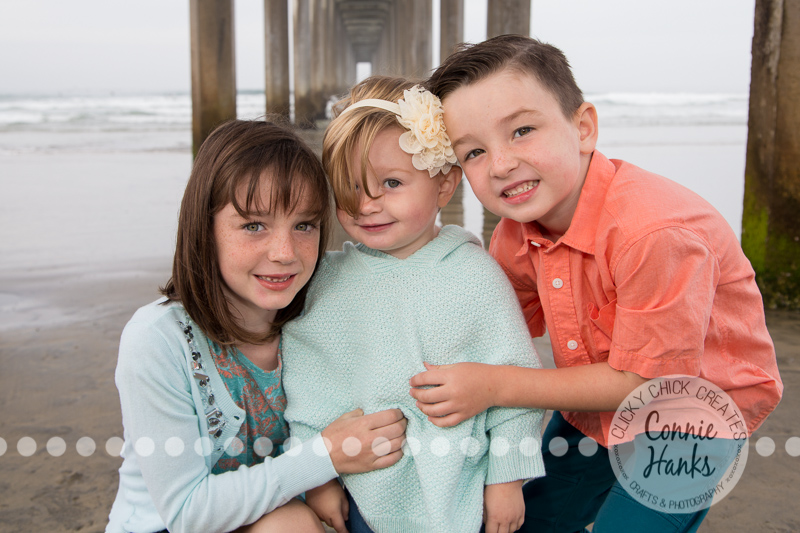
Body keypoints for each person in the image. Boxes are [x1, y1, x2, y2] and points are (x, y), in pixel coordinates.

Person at [409, 35, 784, 533]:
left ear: (583, 128)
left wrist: (492, 386)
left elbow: (643, 385)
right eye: (474, 151)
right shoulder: (512, 235)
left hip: (691, 416)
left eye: (522, 130)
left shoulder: (653, 235)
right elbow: (486, 329)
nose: (500, 164)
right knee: (534, 519)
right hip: (593, 405)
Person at [106, 119, 407, 533]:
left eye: (304, 225)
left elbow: (407, 272)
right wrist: (325, 458)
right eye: (253, 226)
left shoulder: (323, 307)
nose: (285, 254)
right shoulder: (159, 339)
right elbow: (185, 512)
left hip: (280, 504)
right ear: (204, 227)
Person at [280, 76, 546, 533]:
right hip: (362, 488)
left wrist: (507, 480)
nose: (367, 205)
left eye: (391, 182)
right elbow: (308, 387)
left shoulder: (474, 274)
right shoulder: (328, 281)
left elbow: (516, 382)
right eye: (350, 188)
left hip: (465, 484)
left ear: (443, 186)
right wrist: (318, 478)